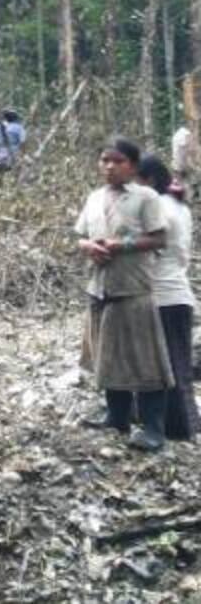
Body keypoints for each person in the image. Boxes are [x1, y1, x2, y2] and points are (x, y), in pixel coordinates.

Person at [76, 137, 174, 451]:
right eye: (104, 160)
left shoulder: (145, 197)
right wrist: (89, 247)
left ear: (131, 166)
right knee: (107, 356)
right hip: (100, 288)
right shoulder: (94, 198)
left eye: (117, 161)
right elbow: (79, 237)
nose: (109, 166)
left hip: (133, 289)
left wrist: (121, 246)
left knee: (146, 361)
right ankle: (116, 417)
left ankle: (153, 429)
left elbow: (159, 239)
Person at [135, 154, 197, 442]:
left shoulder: (157, 208)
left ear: (147, 180)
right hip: (179, 291)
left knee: (163, 365)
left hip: (163, 294)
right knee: (178, 364)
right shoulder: (178, 205)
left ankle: (173, 427)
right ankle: (185, 425)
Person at [0, 108, 26, 184]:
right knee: (17, 169)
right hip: (12, 153)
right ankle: (14, 184)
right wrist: (23, 155)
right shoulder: (19, 128)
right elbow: (23, 142)